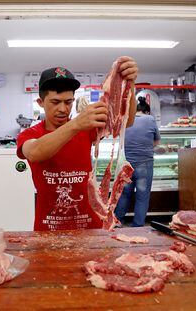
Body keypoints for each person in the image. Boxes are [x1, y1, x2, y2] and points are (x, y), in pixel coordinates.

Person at [16, 57, 138, 231]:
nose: (63, 109)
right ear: (41, 103)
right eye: (55, 102)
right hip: (48, 228)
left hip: (90, 225)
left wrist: (130, 84)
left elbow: (127, 120)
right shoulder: (31, 134)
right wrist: (76, 124)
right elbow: (35, 153)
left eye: (68, 102)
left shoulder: (86, 127)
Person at [114, 96, 160, 227]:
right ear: (147, 111)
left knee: (124, 194)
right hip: (144, 164)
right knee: (142, 196)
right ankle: (138, 224)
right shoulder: (150, 119)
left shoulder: (126, 120)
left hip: (126, 163)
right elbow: (156, 142)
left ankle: (118, 221)